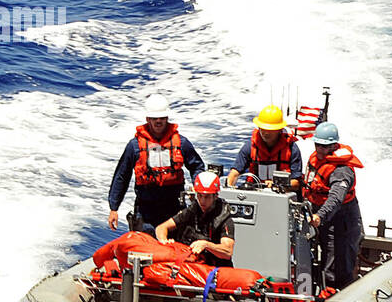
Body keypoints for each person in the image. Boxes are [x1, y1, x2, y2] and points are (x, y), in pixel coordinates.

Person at [107, 94, 207, 233]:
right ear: (148, 119)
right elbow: (121, 176)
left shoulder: (182, 143)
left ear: (167, 118)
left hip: (174, 210)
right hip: (146, 211)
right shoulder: (134, 146)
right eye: (154, 118)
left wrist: (199, 190)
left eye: (162, 118)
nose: (158, 121)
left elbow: (197, 167)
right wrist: (114, 208)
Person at [304, 121, 363, 288]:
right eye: (318, 145)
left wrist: (319, 216)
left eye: (325, 146)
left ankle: (336, 291)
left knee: (336, 262)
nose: (320, 150)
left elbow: (336, 198)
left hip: (340, 221)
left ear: (334, 145)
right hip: (317, 216)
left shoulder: (341, 170)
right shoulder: (316, 160)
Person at [155, 171, 235, 266]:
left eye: (207, 197)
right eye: (200, 195)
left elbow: (227, 252)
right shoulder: (192, 211)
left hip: (214, 268)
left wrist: (206, 245)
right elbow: (161, 228)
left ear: (215, 196)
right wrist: (164, 241)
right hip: (192, 263)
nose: (202, 201)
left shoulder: (225, 219)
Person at [226, 104, 303, 189]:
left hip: (281, 197)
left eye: (270, 129)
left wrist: (277, 185)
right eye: (263, 128)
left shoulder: (292, 149)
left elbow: (296, 183)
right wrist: (229, 186)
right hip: (254, 194)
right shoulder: (250, 147)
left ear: (279, 130)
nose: (266, 133)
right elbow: (235, 172)